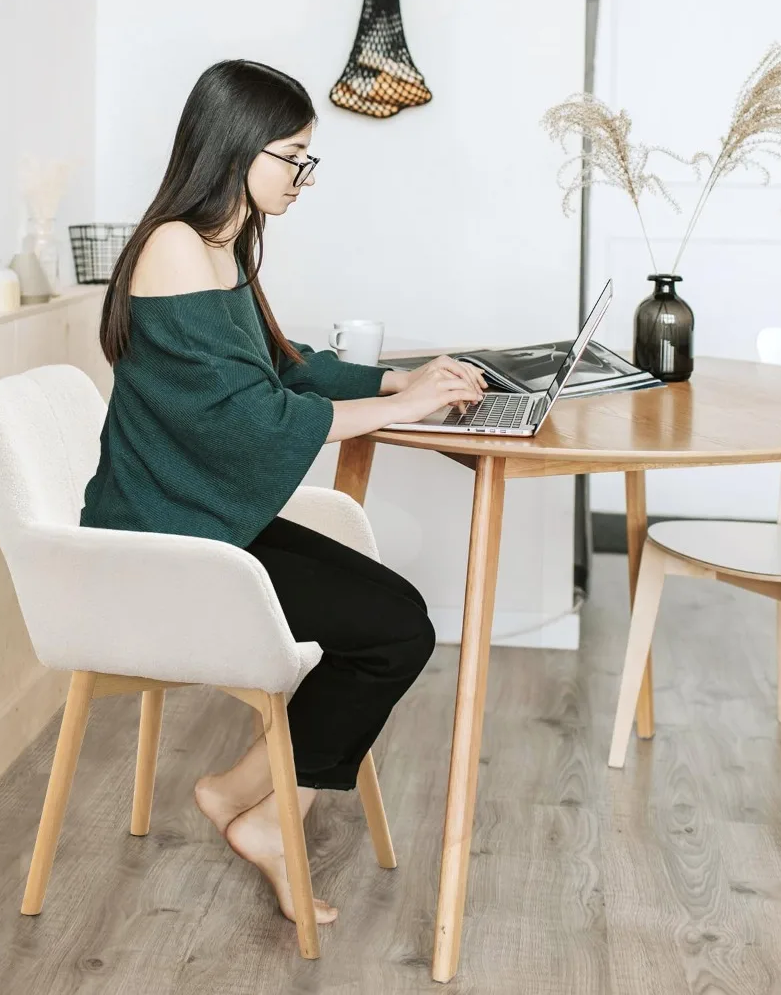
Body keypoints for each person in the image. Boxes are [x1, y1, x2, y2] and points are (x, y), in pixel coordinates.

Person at [80, 59, 486, 926]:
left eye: (308, 159)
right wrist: (402, 407)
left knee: (394, 618)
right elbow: (252, 422)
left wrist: (395, 380)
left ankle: (237, 793)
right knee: (394, 632)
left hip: (205, 519)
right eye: (294, 157)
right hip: (162, 539)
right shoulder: (174, 247)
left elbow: (278, 366)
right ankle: (263, 817)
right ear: (237, 148)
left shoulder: (218, 242)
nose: (305, 177)